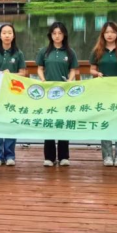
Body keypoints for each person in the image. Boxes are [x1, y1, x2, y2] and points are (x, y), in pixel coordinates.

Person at [89, 21, 117, 167]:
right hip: (104, 91)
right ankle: (107, 155)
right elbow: (92, 69)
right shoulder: (98, 50)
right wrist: (97, 74)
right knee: (105, 121)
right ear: (103, 34)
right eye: (107, 32)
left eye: (113, 32)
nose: (110, 35)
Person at [36, 22, 79, 167]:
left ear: (64, 35)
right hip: (48, 93)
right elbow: (40, 68)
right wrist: (43, 80)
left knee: (63, 122)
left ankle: (63, 156)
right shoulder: (44, 51)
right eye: (54, 33)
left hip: (64, 93)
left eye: (60, 33)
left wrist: (70, 81)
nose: (57, 36)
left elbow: (73, 70)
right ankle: (49, 157)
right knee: (49, 122)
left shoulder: (70, 52)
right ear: (50, 35)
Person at [0, 23, 27, 166]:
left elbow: (23, 73)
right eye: (4, 33)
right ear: (0, 35)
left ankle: (10, 155)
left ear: (13, 35)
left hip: (12, 93)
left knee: (10, 122)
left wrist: (11, 74)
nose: (7, 35)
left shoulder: (18, 53)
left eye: (9, 33)